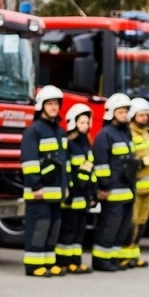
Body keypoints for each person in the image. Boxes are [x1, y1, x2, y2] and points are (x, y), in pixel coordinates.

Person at [18, 85, 69, 276]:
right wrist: (35, 185)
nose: (54, 107)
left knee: (53, 227)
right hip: (39, 192)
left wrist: (66, 186)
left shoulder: (60, 131)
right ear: (41, 106)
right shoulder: (34, 131)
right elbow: (29, 161)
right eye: (50, 104)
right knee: (39, 227)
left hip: (56, 192)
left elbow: (64, 162)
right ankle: (33, 264)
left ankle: (48, 262)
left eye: (56, 104)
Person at [91, 93, 136, 272]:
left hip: (128, 190)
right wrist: (104, 186)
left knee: (122, 227)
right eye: (121, 112)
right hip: (112, 191)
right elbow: (101, 163)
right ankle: (101, 260)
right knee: (109, 226)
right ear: (111, 113)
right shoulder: (105, 135)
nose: (124, 115)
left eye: (126, 112)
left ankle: (113, 258)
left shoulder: (126, 133)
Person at [56, 103, 96, 273]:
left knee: (80, 232)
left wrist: (93, 192)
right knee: (68, 230)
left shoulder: (86, 144)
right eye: (82, 123)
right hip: (72, 196)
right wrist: (70, 190)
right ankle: (63, 261)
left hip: (84, 196)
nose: (85, 126)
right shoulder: (69, 145)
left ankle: (75, 261)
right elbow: (67, 170)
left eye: (87, 123)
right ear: (73, 123)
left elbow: (90, 169)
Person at [124, 97, 149, 268]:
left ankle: (134, 254)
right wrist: (140, 162)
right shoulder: (129, 134)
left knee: (142, 223)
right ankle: (125, 255)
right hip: (135, 187)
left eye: (146, 115)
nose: (145, 118)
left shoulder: (148, 136)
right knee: (132, 222)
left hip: (148, 188)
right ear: (132, 116)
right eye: (141, 115)